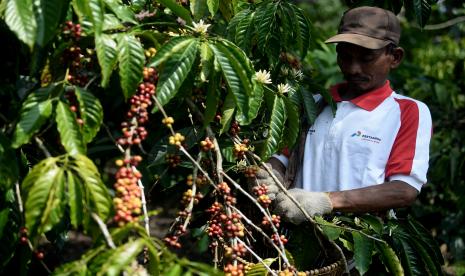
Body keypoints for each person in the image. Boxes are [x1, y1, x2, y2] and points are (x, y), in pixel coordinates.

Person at [255, 6, 433, 225]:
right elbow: (282, 157)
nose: (353, 69)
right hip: (294, 241)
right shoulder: (314, 103)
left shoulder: (407, 111)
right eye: (345, 57)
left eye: (367, 58)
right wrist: (269, 174)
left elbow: (404, 189)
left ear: (395, 57)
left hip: (358, 241)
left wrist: (326, 201)